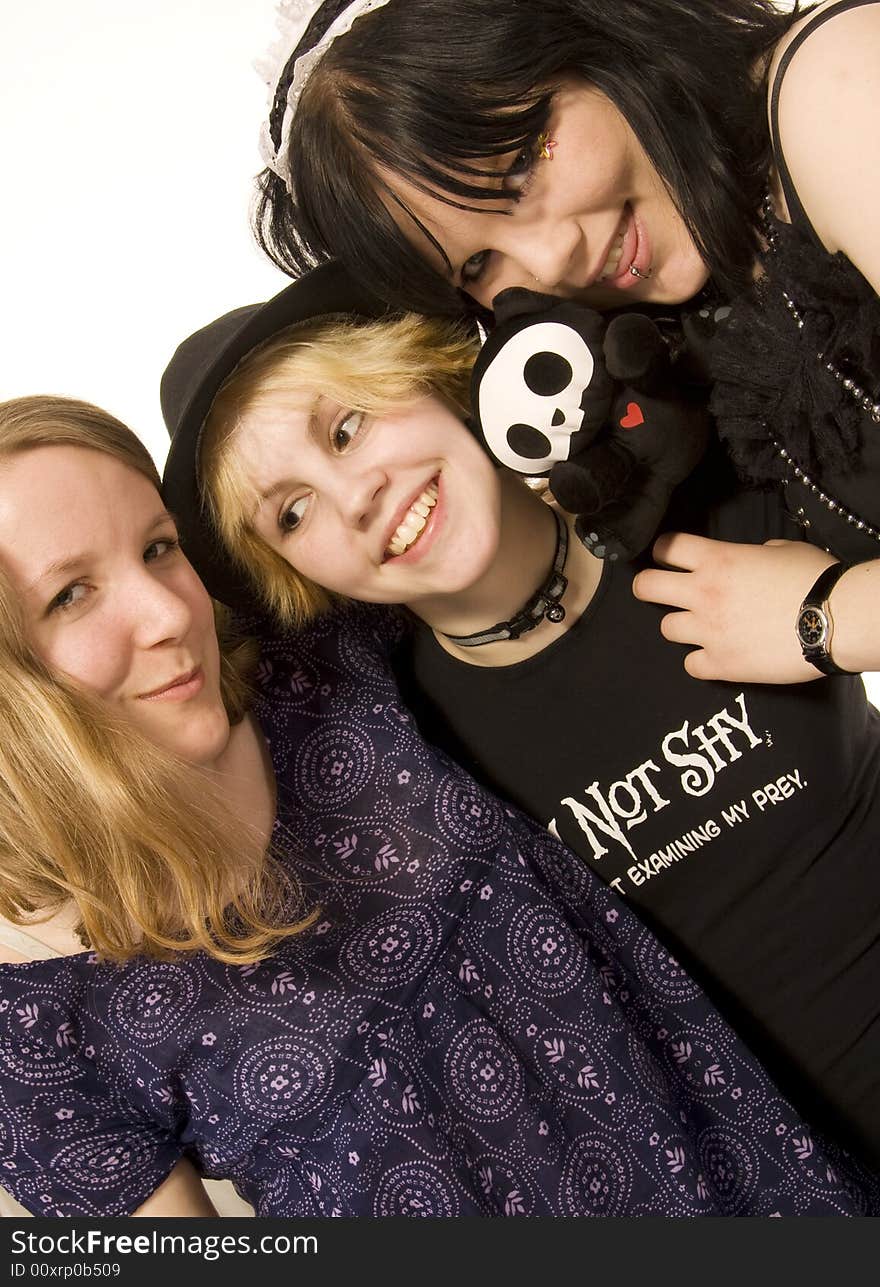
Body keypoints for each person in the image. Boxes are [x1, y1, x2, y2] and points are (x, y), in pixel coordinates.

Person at [3, 385, 865, 1218]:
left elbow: (489, 507)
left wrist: (825, 611)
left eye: (158, 547)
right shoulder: (35, 1026)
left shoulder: (328, 670)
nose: (164, 612)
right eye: (70, 594)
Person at [163, 263, 880, 1177]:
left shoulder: (705, 479)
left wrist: (827, 612)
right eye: (292, 513)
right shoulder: (402, 760)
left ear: (427, 373)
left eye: (347, 427)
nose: (354, 499)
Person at [251, 0, 880, 685]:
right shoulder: (683, 316)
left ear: (586, 33)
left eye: (520, 167)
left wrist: (822, 618)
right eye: (477, 266)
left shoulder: (838, 87)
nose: (550, 262)